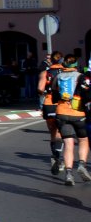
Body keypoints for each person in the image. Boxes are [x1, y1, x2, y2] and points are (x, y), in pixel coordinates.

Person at [49, 55, 91, 186]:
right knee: (83, 140)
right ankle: (82, 164)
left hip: (61, 113)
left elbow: (54, 96)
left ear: (64, 65)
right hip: (78, 113)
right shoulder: (81, 77)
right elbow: (87, 94)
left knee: (68, 143)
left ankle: (68, 174)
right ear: (76, 64)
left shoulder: (57, 77)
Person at [40, 51, 65, 173]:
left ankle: (54, 157)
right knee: (60, 133)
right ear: (61, 60)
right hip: (61, 104)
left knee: (53, 133)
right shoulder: (65, 72)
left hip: (48, 104)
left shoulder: (45, 72)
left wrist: (46, 92)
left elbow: (40, 89)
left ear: (51, 61)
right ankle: (58, 158)